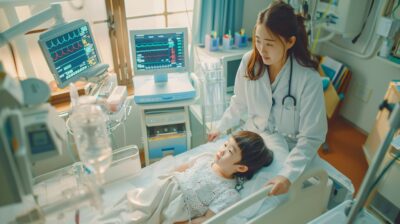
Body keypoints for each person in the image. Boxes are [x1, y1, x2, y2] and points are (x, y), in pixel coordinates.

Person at [208, 0, 327, 196]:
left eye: (269, 44)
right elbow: (239, 101)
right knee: (215, 172)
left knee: (254, 194)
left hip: (288, 149)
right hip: (253, 137)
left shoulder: (308, 79)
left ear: (290, 42)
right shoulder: (250, 62)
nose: (262, 50)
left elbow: (312, 136)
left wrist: (287, 175)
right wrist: (220, 126)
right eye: (258, 40)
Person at [98, 131, 274, 224]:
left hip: (177, 209)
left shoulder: (228, 193)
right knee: (131, 209)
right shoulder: (207, 158)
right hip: (164, 188)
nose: (222, 149)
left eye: (229, 151)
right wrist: (167, 176)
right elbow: (182, 168)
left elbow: (208, 218)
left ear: (241, 167)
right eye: (226, 144)